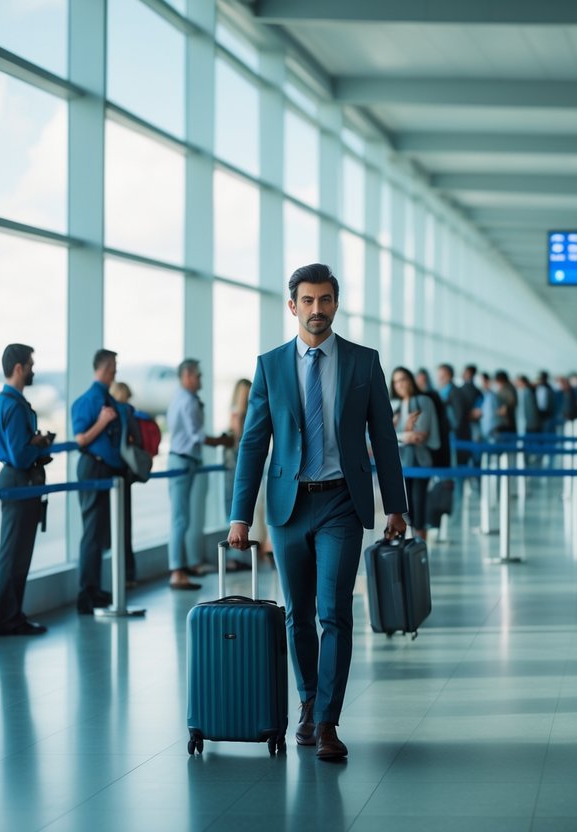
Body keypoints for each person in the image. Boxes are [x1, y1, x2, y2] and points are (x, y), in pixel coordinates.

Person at [228, 263, 408, 762]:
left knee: (335, 613)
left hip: (340, 503)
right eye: (307, 301)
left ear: (335, 304)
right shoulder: (271, 366)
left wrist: (396, 505)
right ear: (293, 306)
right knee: (298, 615)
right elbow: (252, 444)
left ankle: (327, 720)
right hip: (288, 506)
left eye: (325, 300)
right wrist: (241, 515)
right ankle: (307, 702)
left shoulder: (362, 363)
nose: (316, 310)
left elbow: (385, 441)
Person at [0, 343, 53, 636]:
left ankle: (12, 615)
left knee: (15, 551)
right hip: (20, 479)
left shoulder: (3, 403)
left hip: (16, 480)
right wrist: (37, 445)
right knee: (15, 553)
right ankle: (8, 618)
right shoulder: (14, 406)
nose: (33, 370)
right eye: (30, 364)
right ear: (19, 368)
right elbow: (18, 454)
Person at [167, 359, 235, 590]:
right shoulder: (187, 402)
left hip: (187, 460)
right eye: (198, 376)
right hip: (182, 460)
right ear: (187, 375)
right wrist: (222, 441)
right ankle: (176, 571)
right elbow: (197, 436)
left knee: (184, 517)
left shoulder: (182, 399)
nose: (200, 380)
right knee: (180, 518)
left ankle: (185, 565)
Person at [71, 349, 123, 614]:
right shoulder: (88, 401)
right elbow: (80, 439)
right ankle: (86, 593)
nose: (116, 371)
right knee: (92, 532)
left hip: (107, 471)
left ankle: (95, 587)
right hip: (93, 469)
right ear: (104, 368)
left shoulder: (108, 398)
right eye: (113, 365)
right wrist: (102, 422)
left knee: (100, 531)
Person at [228, 378, 273, 565]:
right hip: (243, 462)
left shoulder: (241, 412)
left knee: (258, 505)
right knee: (256, 505)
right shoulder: (240, 414)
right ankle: (261, 549)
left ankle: (262, 548)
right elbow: (243, 441)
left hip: (248, 462)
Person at [390, 367, 439, 540]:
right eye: (396, 381)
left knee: (418, 507)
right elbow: (383, 436)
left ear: (411, 380)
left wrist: (397, 433)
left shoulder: (423, 401)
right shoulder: (394, 405)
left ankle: (419, 549)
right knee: (404, 510)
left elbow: (419, 436)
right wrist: (405, 433)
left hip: (419, 462)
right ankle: (408, 548)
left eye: (403, 379)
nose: (400, 384)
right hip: (399, 464)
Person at [107, 381, 140, 586]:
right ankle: (127, 574)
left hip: (110, 474)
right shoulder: (127, 412)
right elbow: (135, 439)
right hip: (124, 473)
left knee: (111, 528)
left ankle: (117, 576)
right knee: (124, 526)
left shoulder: (111, 411)